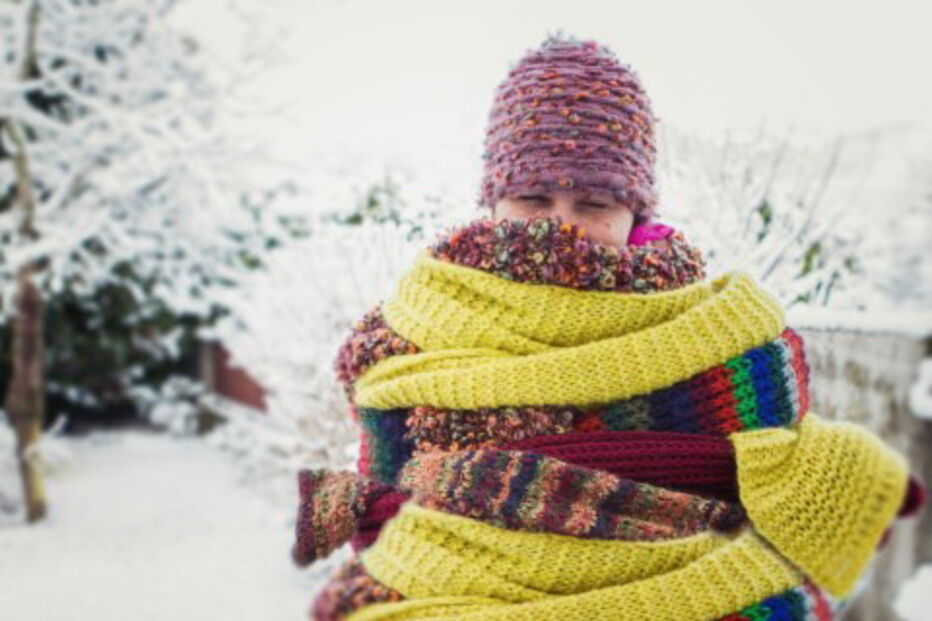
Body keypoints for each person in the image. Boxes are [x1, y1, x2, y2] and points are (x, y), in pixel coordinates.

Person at [292, 33, 926, 621]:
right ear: (491, 201)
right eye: (533, 199)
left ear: (635, 211)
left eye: (594, 204)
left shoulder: (725, 342)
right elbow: (384, 510)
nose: (560, 226)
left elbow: (770, 499)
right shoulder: (407, 336)